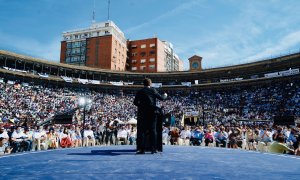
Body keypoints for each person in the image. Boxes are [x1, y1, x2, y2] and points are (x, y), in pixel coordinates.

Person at [134, 78, 167, 154]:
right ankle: (153, 149)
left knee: (142, 131)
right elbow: (161, 98)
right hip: (152, 112)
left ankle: (142, 149)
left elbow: (135, 102)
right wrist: (165, 95)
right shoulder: (153, 90)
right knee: (153, 130)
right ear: (150, 84)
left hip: (143, 113)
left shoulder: (140, 91)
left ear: (143, 84)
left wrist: (142, 106)